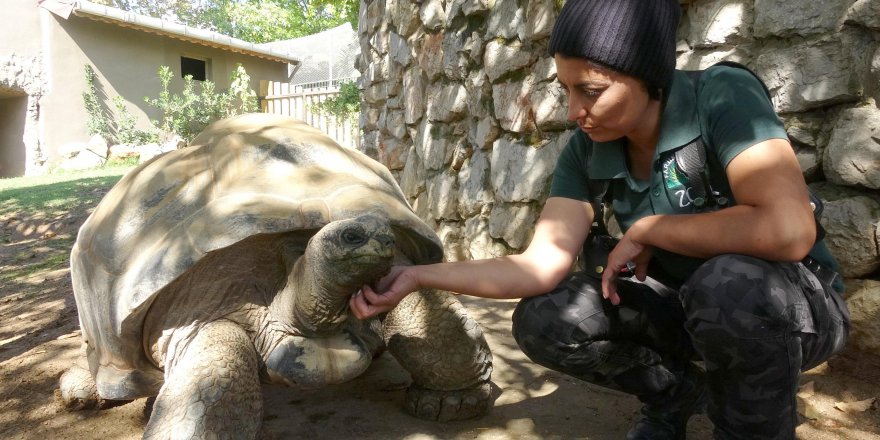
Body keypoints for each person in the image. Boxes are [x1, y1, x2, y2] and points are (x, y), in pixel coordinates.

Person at [349, 0, 850, 438]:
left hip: (792, 309)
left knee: (728, 283)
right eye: (566, 89)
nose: (573, 110)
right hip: (687, 310)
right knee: (546, 316)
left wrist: (651, 228)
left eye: (590, 90)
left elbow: (789, 230)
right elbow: (538, 265)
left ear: (648, 75)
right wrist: (417, 276)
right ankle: (675, 395)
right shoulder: (587, 150)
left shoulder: (722, 96)